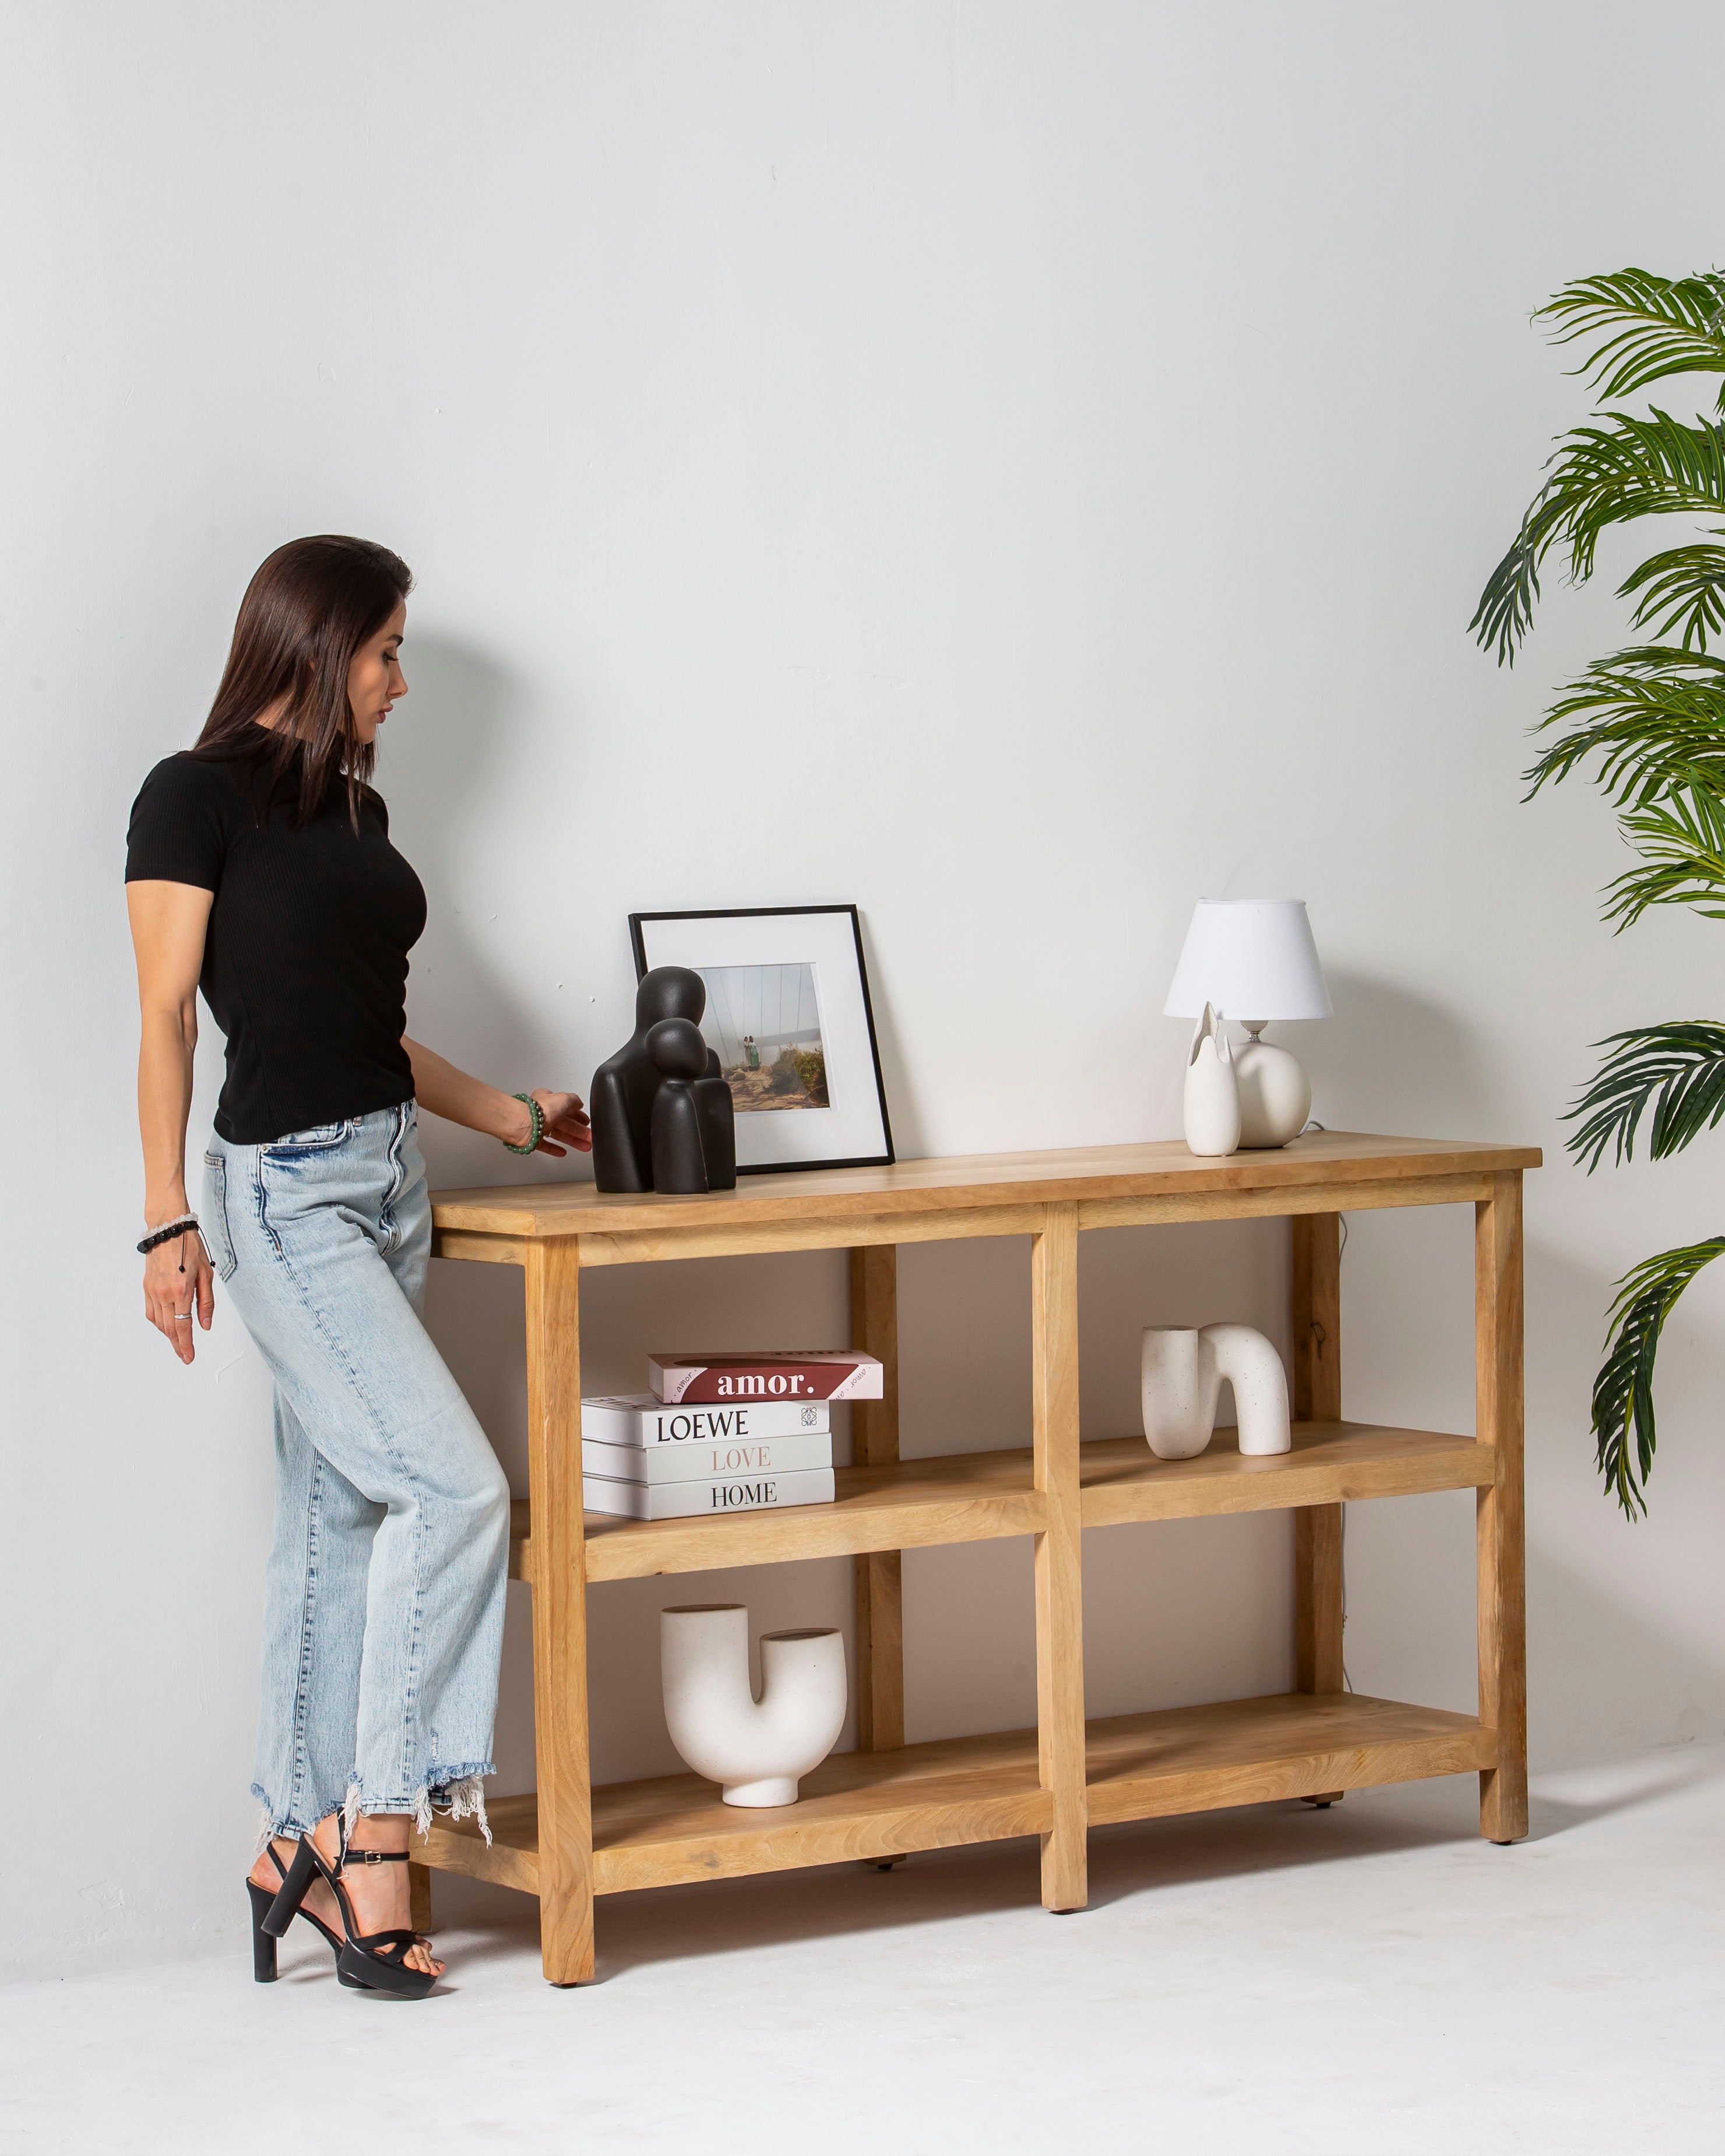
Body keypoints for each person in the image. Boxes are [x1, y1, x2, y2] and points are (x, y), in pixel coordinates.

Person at [125, 536, 592, 1999]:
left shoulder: (354, 806)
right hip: (281, 1200)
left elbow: (362, 1024)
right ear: (322, 648)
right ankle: (371, 1836)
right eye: (388, 650)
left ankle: (283, 1840)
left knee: (336, 1518)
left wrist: (507, 1115)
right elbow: (166, 1022)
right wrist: (162, 1219)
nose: (399, 679)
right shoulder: (187, 796)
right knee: (455, 1491)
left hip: (389, 1182)